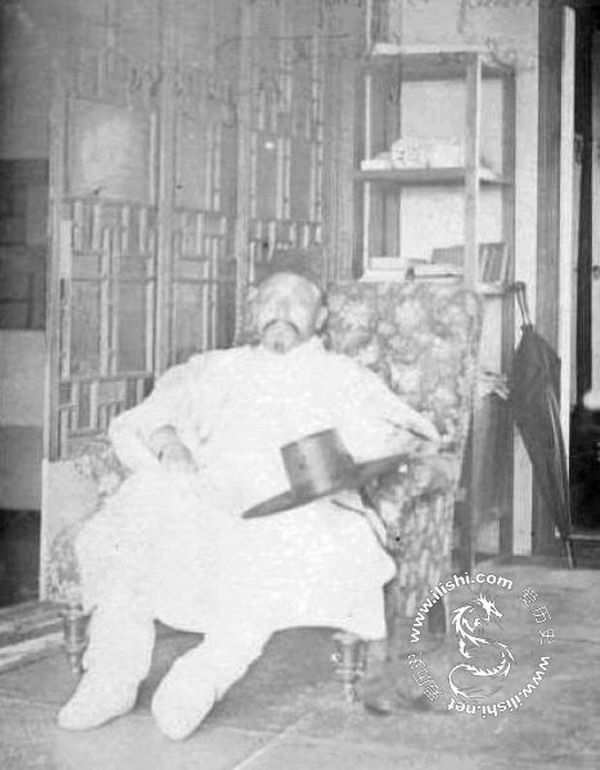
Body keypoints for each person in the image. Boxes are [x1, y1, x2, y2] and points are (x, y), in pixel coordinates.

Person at [58, 271, 440, 740]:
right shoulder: (217, 367)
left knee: (269, 550)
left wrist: (374, 444)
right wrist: (169, 443)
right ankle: (110, 675)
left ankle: (201, 677)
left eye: (296, 301)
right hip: (209, 492)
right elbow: (156, 412)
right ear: (254, 311)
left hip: (305, 505)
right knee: (137, 512)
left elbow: (397, 432)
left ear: (321, 317)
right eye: (270, 299)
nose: (280, 310)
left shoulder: (342, 376)